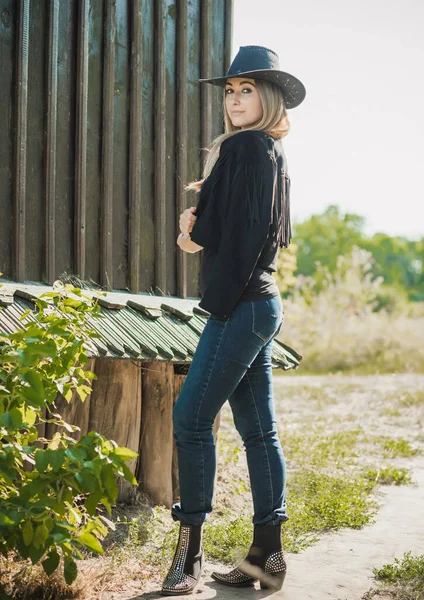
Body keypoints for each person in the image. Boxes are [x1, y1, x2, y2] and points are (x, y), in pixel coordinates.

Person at [161, 45, 306, 596]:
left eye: (248, 90)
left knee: (191, 418)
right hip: (261, 303)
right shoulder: (265, 151)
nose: (236, 100)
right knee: (258, 430)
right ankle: (266, 558)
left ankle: (189, 559)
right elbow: (257, 231)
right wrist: (203, 223)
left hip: (242, 305)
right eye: (230, 91)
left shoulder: (247, 147)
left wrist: (190, 234)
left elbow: (239, 239)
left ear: (267, 98)